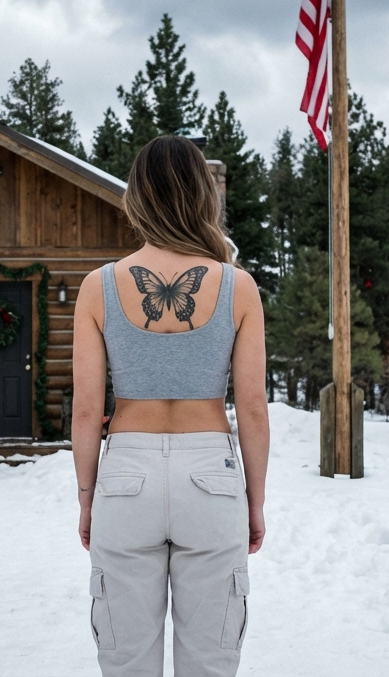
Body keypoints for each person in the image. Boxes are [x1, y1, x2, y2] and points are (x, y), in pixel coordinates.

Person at [72, 136, 270, 677]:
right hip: (210, 472)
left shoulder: (98, 287)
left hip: (127, 473)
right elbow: (252, 407)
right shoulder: (238, 286)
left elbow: (88, 411)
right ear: (202, 195)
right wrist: (254, 501)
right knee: (211, 659)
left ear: (137, 197)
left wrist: (88, 498)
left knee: (125, 658)